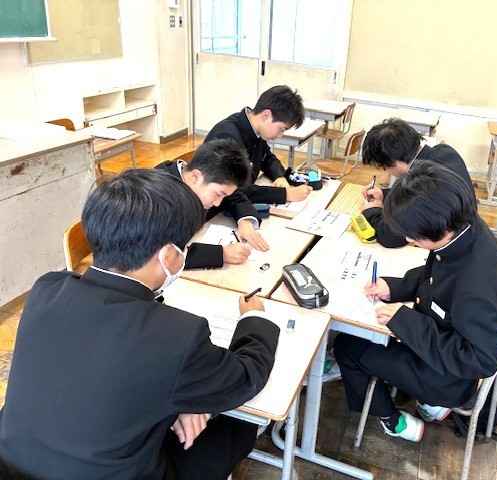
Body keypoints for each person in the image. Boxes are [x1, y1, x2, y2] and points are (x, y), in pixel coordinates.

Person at [0, 169, 280, 479]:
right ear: (169, 256)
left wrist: (180, 401)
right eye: (185, 249)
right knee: (237, 424)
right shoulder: (177, 335)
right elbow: (245, 379)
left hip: (13, 464)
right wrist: (255, 318)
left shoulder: (47, 288)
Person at [333, 162, 497, 443]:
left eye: (412, 235)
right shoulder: (463, 228)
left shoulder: (474, 286)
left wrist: (405, 321)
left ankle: (391, 419)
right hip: (437, 347)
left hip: (446, 377)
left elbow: (479, 360)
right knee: (362, 336)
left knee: (347, 346)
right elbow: (435, 273)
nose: (407, 238)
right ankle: (420, 401)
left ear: (435, 228)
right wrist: (394, 287)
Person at [360, 118, 476, 248]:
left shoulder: (425, 181)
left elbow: (390, 237)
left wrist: (372, 210)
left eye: (383, 167)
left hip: (455, 247)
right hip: (470, 234)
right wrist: (384, 194)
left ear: (394, 161)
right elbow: (412, 197)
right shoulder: (443, 152)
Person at [156, 139, 267, 269]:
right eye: (218, 194)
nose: (218, 203)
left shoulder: (201, 180)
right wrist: (221, 254)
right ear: (196, 177)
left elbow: (235, 198)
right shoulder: (159, 198)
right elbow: (159, 255)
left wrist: (245, 222)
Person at [204, 85, 312, 205]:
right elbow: (235, 189)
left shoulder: (255, 131)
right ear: (266, 115)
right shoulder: (227, 135)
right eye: (282, 129)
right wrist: (285, 195)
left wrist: (279, 176)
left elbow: (267, 158)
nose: (281, 135)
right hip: (215, 208)